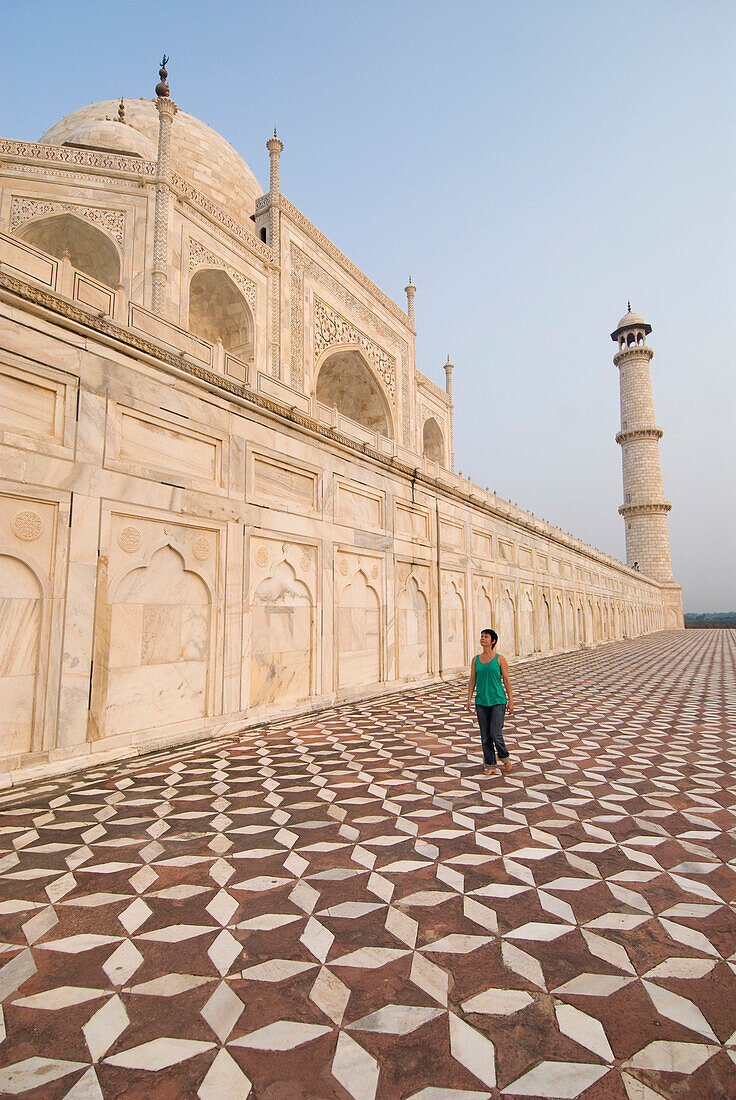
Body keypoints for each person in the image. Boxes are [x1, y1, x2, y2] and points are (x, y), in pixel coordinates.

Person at [466, 628, 514, 776]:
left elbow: (506, 680)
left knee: (495, 733)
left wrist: (511, 701)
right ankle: (490, 764)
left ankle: (504, 756)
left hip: (497, 700)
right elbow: (472, 680)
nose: (482, 639)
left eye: (486, 637)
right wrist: (469, 699)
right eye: (481, 636)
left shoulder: (500, 659)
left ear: (493, 641)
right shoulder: (476, 659)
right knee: (485, 735)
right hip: (481, 700)